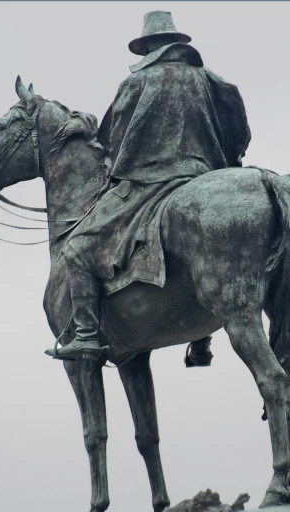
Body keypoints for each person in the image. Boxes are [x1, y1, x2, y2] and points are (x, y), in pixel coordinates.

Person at [46, 11, 251, 361]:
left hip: (151, 182)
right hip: (204, 175)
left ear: (148, 47)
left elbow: (111, 138)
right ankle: (202, 339)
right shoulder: (212, 80)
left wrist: (87, 131)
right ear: (175, 43)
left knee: (78, 249)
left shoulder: (137, 83)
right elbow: (240, 132)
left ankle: (86, 336)